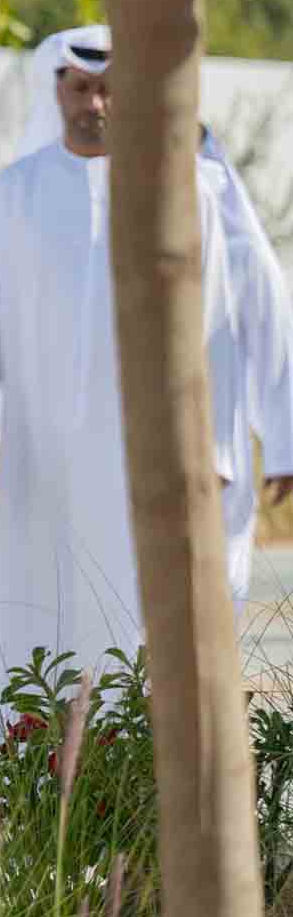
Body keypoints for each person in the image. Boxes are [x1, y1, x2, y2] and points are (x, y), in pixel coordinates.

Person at [0, 28, 259, 668]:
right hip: (37, 453)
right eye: (81, 88)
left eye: (108, 89)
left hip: (146, 454)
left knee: (135, 611)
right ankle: (35, 736)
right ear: (56, 91)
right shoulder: (13, 193)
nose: (94, 103)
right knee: (37, 608)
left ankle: (130, 738)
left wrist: (217, 451)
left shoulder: (182, 192)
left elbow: (217, 333)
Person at [198, 122, 293, 595]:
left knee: (216, 586)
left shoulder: (242, 255)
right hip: (131, 445)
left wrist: (283, 450)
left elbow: (275, 348)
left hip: (219, 446)